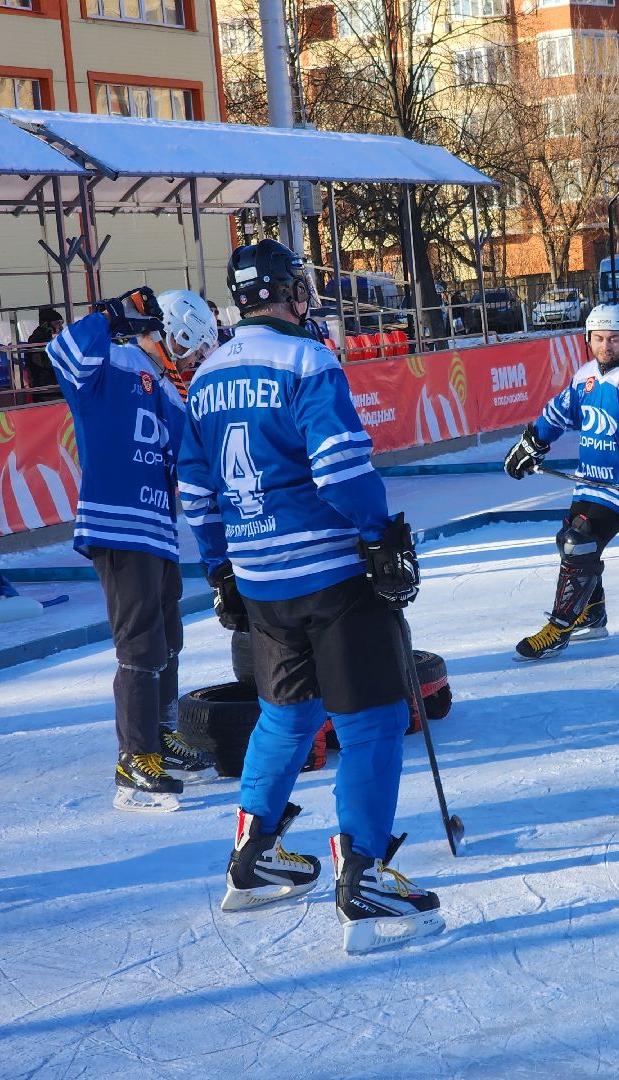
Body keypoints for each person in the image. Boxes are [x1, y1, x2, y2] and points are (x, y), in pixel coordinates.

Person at [177, 238, 442, 952]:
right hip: (329, 574)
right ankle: (363, 877)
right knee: (373, 723)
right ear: (290, 292)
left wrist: (220, 571)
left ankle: (253, 854)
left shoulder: (205, 378)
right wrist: (382, 534)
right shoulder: (307, 359)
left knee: (286, 716)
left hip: (261, 582)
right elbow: (338, 467)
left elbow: (197, 494)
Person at [45, 287, 220, 813]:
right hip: (119, 525)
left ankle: (159, 734)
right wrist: (107, 313)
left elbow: (191, 457)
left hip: (157, 530)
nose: (191, 360)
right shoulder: (113, 362)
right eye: (189, 348)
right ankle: (133, 757)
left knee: (169, 637)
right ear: (171, 332)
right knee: (141, 644)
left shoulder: (168, 389)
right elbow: (63, 353)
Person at [503, 302, 619, 661]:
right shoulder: (585, 376)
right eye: (600, 338)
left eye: (614, 339)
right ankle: (592, 614)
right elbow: (558, 413)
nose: (607, 346)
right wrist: (531, 444)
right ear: (589, 339)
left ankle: (560, 627)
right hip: (590, 482)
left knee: (580, 543)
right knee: (570, 539)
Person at [22, 306, 64, 400]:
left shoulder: (52, 338)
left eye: (61, 323)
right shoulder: (37, 339)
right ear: (46, 324)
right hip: (46, 390)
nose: (61, 327)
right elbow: (42, 363)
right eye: (57, 324)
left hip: (56, 385)